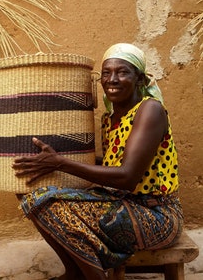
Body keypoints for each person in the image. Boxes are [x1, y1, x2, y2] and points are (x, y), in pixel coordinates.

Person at [12, 43, 184, 280]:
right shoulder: (110, 117)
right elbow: (113, 163)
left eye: (122, 72)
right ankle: (75, 273)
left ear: (140, 80)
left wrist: (61, 163)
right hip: (120, 202)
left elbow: (127, 176)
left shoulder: (150, 110)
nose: (112, 79)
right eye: (106, 73)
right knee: (28, 193)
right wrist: (61, 159)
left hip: (156, 216)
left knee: (50, 204)